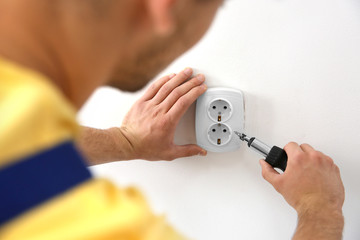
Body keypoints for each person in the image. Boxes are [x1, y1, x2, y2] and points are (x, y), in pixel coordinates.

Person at [0, 0, 345, 239]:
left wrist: (125, 142)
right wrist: (320, 209)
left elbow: (24, 150)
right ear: (164, 6)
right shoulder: (88, 227)